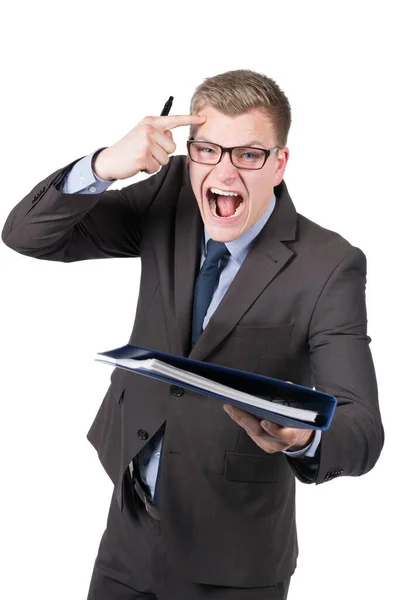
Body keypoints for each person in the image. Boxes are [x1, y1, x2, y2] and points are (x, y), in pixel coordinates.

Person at [1, 69, 384, 600]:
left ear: (279, 163)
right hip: (129, 533)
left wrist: (306, 437)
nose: (224, 170)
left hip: (233, 559)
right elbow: (27, 235)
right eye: (207, 150)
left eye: (248, 154)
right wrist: (104, 165)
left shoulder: (329, 264)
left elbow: (363, 428)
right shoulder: (170, 196)